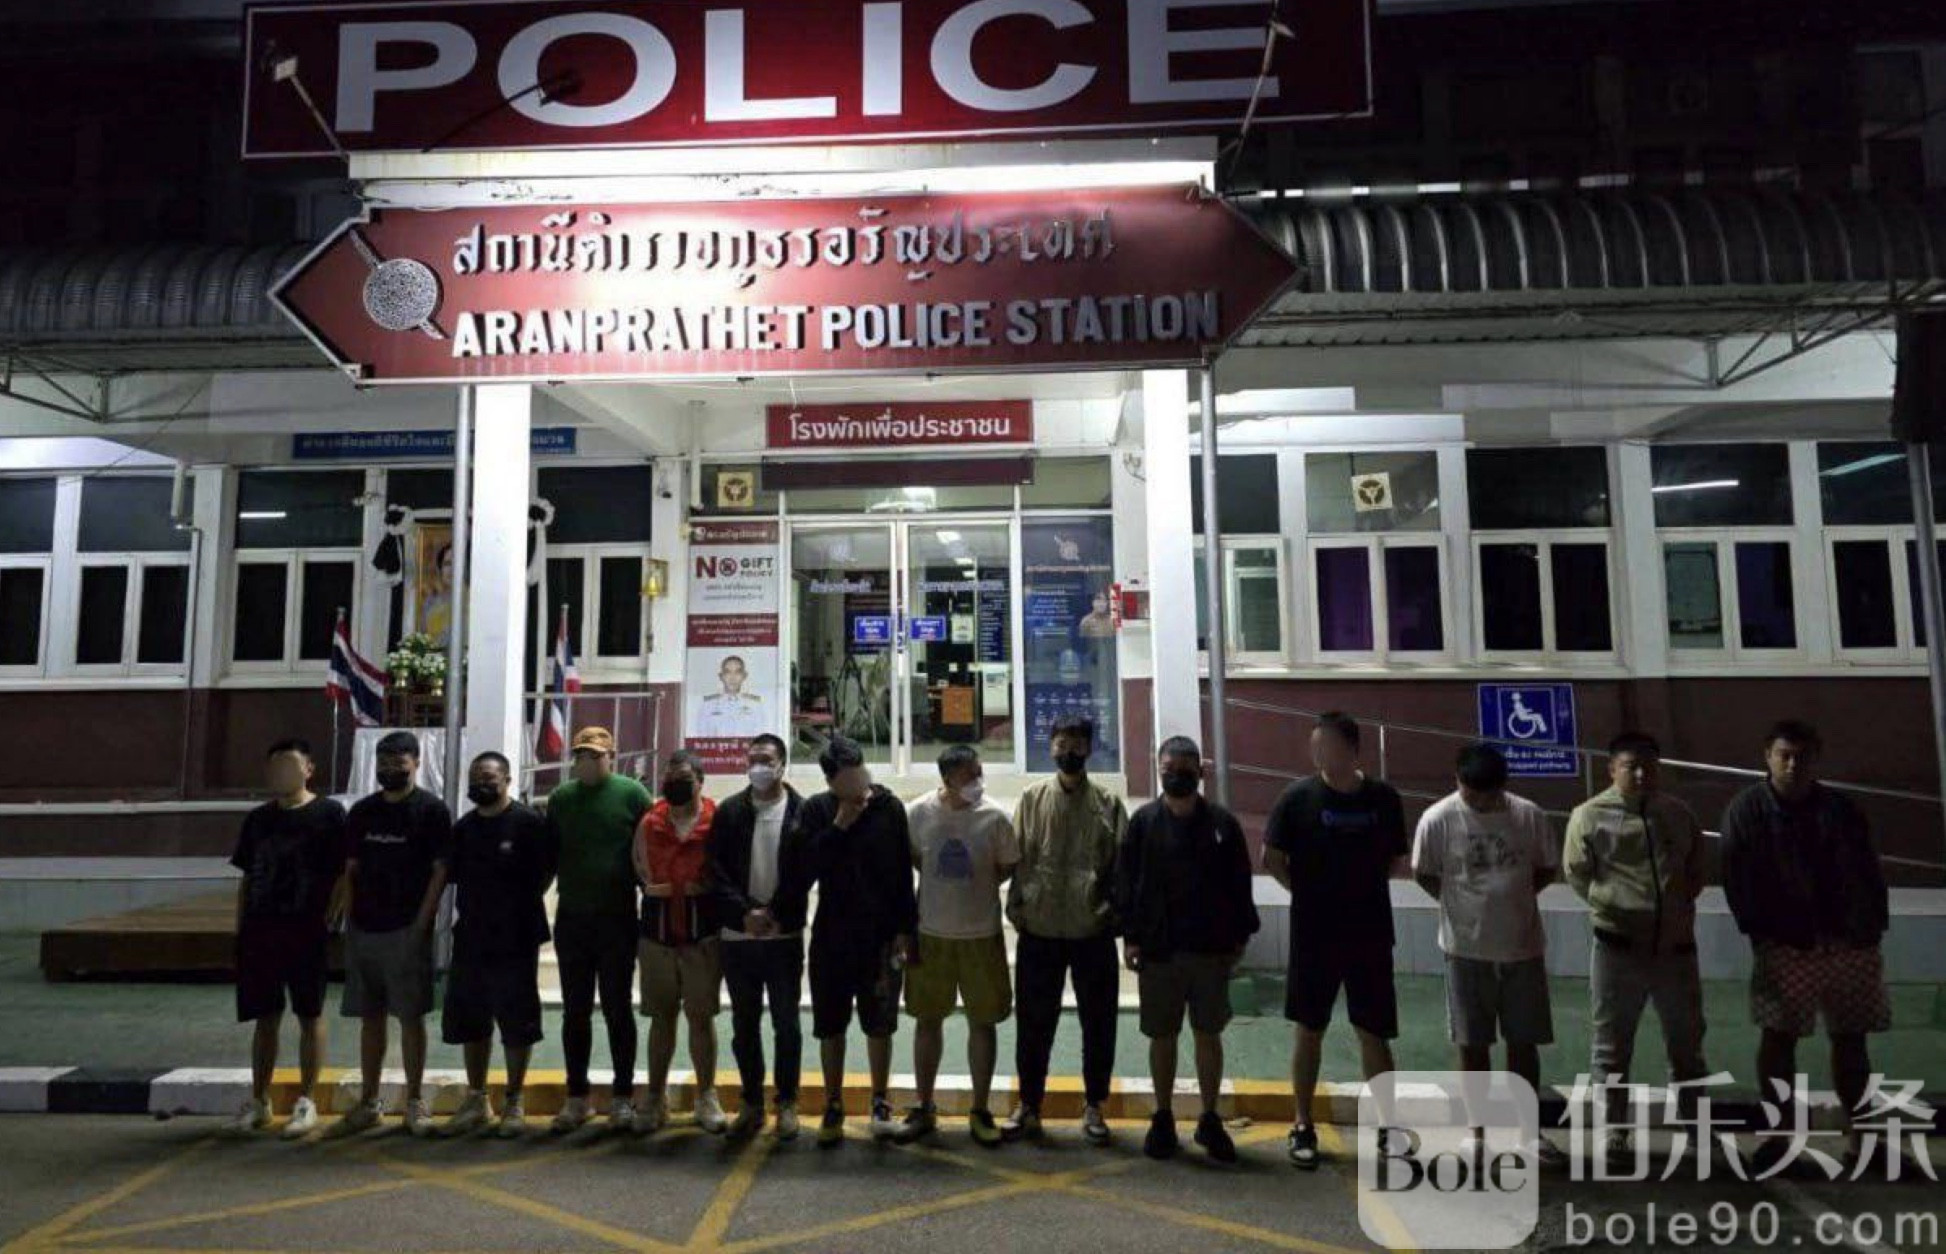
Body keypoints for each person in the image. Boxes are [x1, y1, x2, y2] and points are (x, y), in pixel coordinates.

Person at [1720, 720, 1892, 1178]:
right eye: (1785, 755)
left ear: (1816, 758)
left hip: (1849, 943)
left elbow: (1868, 869)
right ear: (1767, 757)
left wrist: (1870, 927)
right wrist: (1762, 932)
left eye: (1802, 756)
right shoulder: (1748, 809)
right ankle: (1779, 1138)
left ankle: (1863, 1140)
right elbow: (1737, 875)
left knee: (1852, 1040)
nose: (1793, 764)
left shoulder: (1841, 809)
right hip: (1785, 945)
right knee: (1779, 1039)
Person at [1262, 712, 1408, 1171]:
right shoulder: (1296, 798)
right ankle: (1302, 1123)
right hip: (1314, 935)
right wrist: (1309, 895)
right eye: (1314, 745)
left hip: (1369, 934)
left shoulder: (1383, 799)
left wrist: (1358, 894)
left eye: (1325, 744)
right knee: (1309, 1029)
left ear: (1352, 748)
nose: (1318, 753)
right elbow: (1272, 858)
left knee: (1374, 1032)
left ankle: (1388, 1126)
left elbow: (1394, 860)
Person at [1412, 743, 1566, 1168]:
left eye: (1490, 794)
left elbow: (1545, 868)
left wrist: (1511, 902)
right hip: (1465, 950)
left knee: (1523, 1043)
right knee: (1472, 1044)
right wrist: (1463, 907)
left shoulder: (1528, 816)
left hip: (1522, 948)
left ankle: (1528, 1133)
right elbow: (1424, 873)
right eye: (1473, 793)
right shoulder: (1438, 819)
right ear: (1458, 781)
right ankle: (1476, 1133)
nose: (1481, 802)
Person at [1563, 731, 1710, 1168]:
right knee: (1611, 1045)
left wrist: (1675, 909)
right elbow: (1577, 874)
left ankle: (1697, 1131)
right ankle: (1614, 1132)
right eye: (1631, 766)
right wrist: (1614, 906)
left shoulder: (1678, 814)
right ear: (1612, 769)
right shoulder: (1589, 817)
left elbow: (1696, 870)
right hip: (1617, 949)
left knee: (1687, 1044)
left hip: (1676, 950)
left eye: (1649, 766)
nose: (1642, 774)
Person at [1117, 736, 1260, 1163]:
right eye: (1169, 769)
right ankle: (1162, 1117)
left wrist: (1240, 937)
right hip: (1159, 951)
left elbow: (1239, 884)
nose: (1177, 775)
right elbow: (1127, 883)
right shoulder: (1142, 823)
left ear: (1201, 771)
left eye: (1185, 769)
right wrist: (1130, 937)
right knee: (1162, 1037)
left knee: (1208, 1035)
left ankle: (1209, 1118)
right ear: (1158, 770)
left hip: (1210, 951)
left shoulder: (1222, 825)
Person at [782, 735, 917, 1147]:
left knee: (880, 1024)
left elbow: (902, 873)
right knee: (830, 1026)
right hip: (832, 936)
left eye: (861, 772)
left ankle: (880, 1101)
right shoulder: (817, 811)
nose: (859, 783)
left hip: (880, 938)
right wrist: (840, 825)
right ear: (831, 781)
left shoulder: (888, 807)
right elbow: (804, 870)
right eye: (849, 778)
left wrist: (905, 930)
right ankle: (833, 1103)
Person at [1004, 714, 1126, 1145]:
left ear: (1089, 749)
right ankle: (1029, 1105)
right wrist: (1019, 908)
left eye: (1076, 744)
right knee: (1033, 1024)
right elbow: (1016, 857)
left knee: (1099, 1023)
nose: (1068, 751)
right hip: (1040, 929)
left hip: (1092, 931)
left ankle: (1094, 1105)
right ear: (1050, 746)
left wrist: (1112, 914)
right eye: (1061, 743)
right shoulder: (1032, 799)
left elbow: (1122, 867)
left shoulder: (1108, 804)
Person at [899, 745, 1020, 1145]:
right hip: (931, 935)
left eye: (979, 772)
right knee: (927, 1021)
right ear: (947, 779)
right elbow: (913, 858)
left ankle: (980, 1109)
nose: (977, 782)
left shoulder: (996, 817)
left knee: (982, 1023)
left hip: (982, 937)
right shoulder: (918, 814)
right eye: (969, 775)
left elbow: (1007, 865)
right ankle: (924, 1106)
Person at [229, 739, 348, 1137]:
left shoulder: (329, 815)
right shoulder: (258, 820)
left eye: (290, 765)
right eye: (275, 766)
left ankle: (306, 1100)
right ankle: (259, 1100)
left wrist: (336, 911)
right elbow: (247, 876)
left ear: (309, 770)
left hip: (307, 929)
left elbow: (346, 869)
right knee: (265, 1017)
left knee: (309, 1014)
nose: (282, 773)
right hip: (261, 930)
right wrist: (241, 928)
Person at [338, 730, 451, 1136]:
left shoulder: (432, 811)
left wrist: (422, 923)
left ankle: (415, 1100)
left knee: (410, 1017)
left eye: (399, 761)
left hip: (407, 929)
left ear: (416, 763)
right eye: (383, 761)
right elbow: (350, 868)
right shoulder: (362, 812)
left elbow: (440, 872)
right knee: (370, 1019)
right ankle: (370, 1101)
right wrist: (350, 920)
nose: (390, 768)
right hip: (364, 928)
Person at [441, 752, 556, 1138]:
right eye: (475, 776)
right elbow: (453, 876)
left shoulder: (528, 823)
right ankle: (477, 1099)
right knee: (472, 1020)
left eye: (489, 777)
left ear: (507, 780)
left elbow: (545, 873)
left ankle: (514, 1099)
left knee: (517, 1021)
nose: (481, 783)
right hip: (472, 936)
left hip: (516, 938)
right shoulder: (464, 828)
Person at [546, 727, 652, 1133]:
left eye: (595, 755)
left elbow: (648, 849)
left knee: (617, 1007)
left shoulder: (633, 795)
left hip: (617, 918)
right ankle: (577, 1097)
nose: (587, 762)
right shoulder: (561, 798)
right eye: (581, 756)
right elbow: (549, 853)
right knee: (575, 1010)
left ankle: (623, 1097)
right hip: (572, 918)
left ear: (611, 756)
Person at [708, 733, 809, 1141]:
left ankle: (787, 1102)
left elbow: (805, 873)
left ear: (782, 764)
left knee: (787, 1024)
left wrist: (774, 913)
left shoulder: (802, 812)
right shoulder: (730, 811)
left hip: (783, 936)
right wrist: (744, 913)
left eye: (766, 759)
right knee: (744, 1024)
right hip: (739, 937)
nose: (758, 767)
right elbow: (715, 870)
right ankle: (751, 1102)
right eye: (752, 759)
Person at [633, 750, 729, 1135]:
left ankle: (707, 1095)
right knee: (662, 1018)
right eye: (670, 777)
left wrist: (706, 889)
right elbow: (638, 866)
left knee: (701, 1018)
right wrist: (649, 886)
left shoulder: (717, 821)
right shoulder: (650, 822)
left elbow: (727, 871)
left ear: (700, 782)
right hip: (657, 937)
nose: (675, 783)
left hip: (701, 936)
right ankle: (655, 1098)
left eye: (683, 778)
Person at [696, 655, 766, 738]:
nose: (732, 678)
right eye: (728, 672)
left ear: (744, 676)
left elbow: (759, 736)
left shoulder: (755, 705)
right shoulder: (708, 705)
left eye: (738, 672)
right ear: (721, 676)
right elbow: (702, 737)